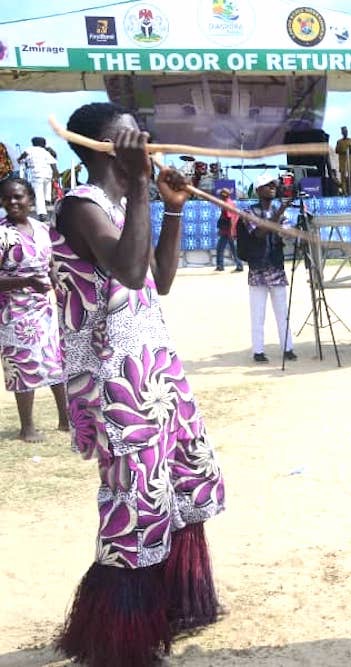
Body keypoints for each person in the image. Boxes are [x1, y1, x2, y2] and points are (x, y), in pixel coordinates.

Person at [50, 102, 225, 666]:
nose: (146, 140)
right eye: (133, 134)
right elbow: (126, 270)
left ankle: (173, 603)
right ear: (105, 146)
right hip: (112, 377)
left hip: (153, 366)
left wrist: (170, 207)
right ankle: (118, 636)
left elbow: (160, 279)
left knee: (185, 479)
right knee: (137, 497)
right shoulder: (81, 206)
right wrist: (144, 188)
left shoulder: (127, 204)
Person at [0, 178, 68, 441]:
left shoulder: (42, 228)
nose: (12, 202)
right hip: (13, 312)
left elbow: (49, 263)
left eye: (18, 196)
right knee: (22, 363)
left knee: (54, 361)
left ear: (30, 198)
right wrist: (26, 281)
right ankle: (27, 427)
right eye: (6, 198)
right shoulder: (3, 233)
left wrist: (55, 278)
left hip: (44, 308)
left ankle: (65, 419)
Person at [242, 174, 296, 363]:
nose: (273, 187)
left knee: (282, 312)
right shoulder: (249, 211)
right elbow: (259, 232)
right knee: (258, 313)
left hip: (275, 266)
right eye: (268, 185)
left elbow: (286, 233)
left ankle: (288, 348)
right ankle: (258, 351)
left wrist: (290, 230)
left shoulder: (279, 212)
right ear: (258, 190)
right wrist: (280, 211)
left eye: (274, 185)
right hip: (257, 268)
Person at [17, 137, 58, 219]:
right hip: (47, 174)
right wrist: (56, 173)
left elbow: (22, 157)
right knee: (46, 191)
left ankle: (42, 213)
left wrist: (20, 160)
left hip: (37, 174)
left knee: (39, 194)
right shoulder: (45, 152)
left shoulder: (30, 150)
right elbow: (53, 163)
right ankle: (47, 200)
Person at [214, 188, 243, 273]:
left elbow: (230, 219)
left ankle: (238, 265)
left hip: (229, 230)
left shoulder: (227, 204)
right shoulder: (229, 203)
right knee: (221, 248)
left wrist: (231, 231)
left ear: (224, 195)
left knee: (232, 249)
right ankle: (220, 266)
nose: (219, 196)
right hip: (226, 230)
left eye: (221, 195)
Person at [334, 126, 351, 195]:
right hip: (343, 162)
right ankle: (344, 192)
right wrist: (343, 151)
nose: (345, 132)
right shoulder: (339, 142)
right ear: (342, 133)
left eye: (346, 131)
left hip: (350, 162)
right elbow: (337, 150)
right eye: (344, 131)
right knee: (343, 178)